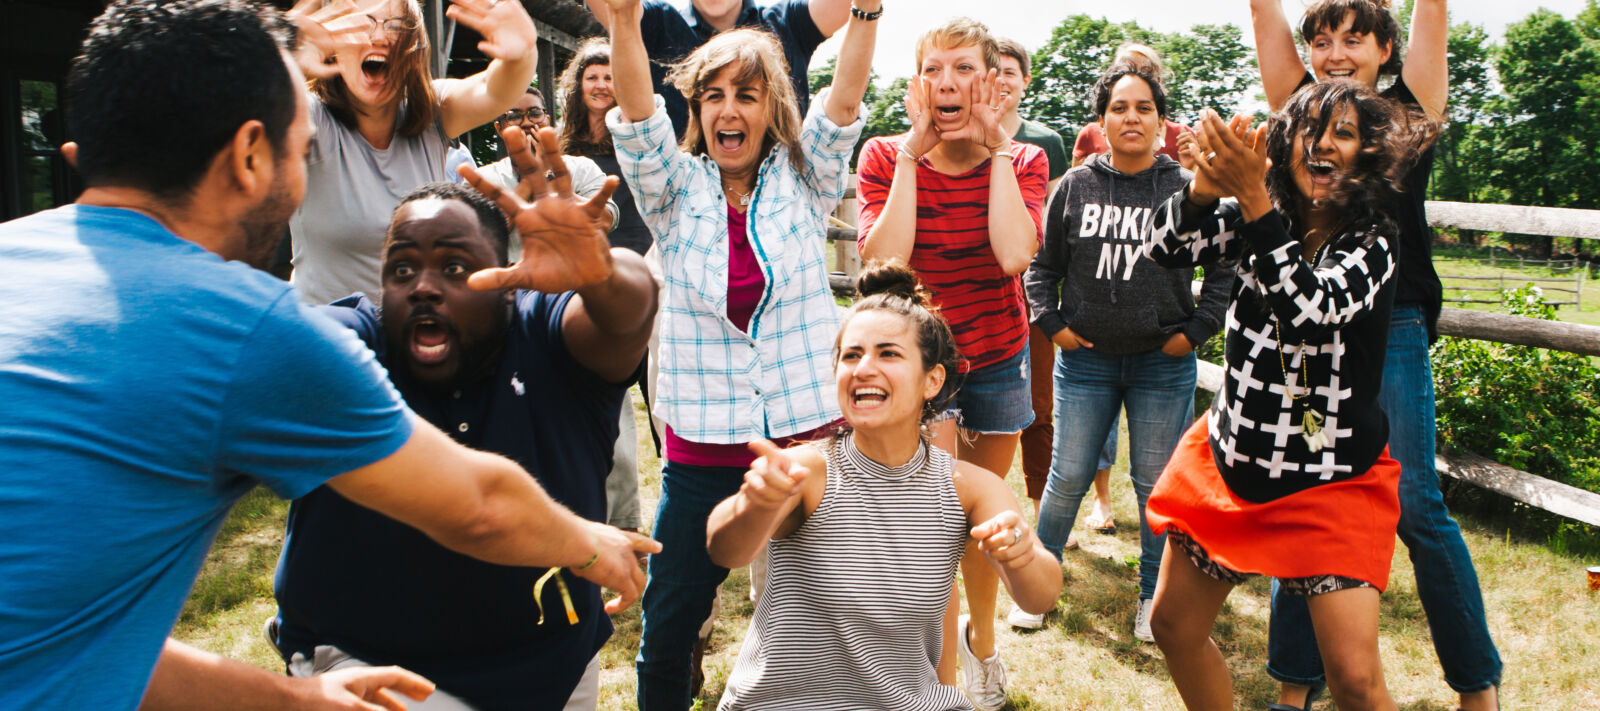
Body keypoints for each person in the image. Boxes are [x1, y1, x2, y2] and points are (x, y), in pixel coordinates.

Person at [0, 2, 656, 709]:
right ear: (253, 156)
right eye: (301, 141)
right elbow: (478, 508)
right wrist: (591, 546)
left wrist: (299, 701)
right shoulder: (243, 334)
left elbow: (73, 635)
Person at [273, 131, 653, 710]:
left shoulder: (548, 336)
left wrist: (601, 273)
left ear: (506, 283)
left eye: (454, 267)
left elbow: (629, 312)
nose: (424, 287)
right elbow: (287, 349)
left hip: (552, 666)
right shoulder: (352, 344)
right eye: (402, 270)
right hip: (366, 665)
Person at [605, 0, 880, 706]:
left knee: (824, 616)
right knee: (669, 624)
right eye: (714, 95)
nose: (730, 110)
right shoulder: (674, 192)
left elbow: (844, 100)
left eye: (747, 95)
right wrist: (624, 25)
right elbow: (638, 120)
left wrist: (867, 11)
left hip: (805, 444)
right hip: (700, 450)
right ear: (697, 112)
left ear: (770, 108)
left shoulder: (805, 179)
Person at [1141, 82, 1427, 710]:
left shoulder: (1374, 239)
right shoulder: (1257, 212)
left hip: (1331, 479)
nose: (1323, 145)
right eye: (1311, 130)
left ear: (1368, 154)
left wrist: (1250, 198)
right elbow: (1161, 251)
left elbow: (1311, 312)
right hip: (1232, 462)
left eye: (1344, 134)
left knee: (1353, 680)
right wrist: (1203, 190)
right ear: (1283, 143)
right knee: (1173, 627)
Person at [1248, 2, 1498, 709]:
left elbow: (1435, 13)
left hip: (1395, 325)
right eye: (1321, 40)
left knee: (1416, 505)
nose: (1334, 54)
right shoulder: (1302, 112)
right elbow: (1263, 12)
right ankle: (1295, 686)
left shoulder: (1405, 115)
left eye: (1354, 39)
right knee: (1305, 496)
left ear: (1386, 49)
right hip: (1311, 327)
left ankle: (1479, 688)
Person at [705, 262, 1062, 711]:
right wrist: (752, 507)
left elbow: (1042, 594)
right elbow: (724, 550)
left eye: (888, 354)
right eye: (851, 355)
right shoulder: (809, 471)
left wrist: (1024, 554)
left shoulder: (969, 488)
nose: (864, 368)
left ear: (932, 381)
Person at [855, 17, 1049, 710]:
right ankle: (937, 684)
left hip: (997, 358)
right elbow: (886, 262)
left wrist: (995, 151)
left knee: (980, 523)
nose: (948, 83)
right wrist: (913, 156)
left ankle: (983, 646)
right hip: (924, 368)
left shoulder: (1024, 160)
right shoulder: (884, 155)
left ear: (993, 82)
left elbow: (1012, 255)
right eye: (934, 70)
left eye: (964, 68)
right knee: (936, 524)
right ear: (917, 86)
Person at [1021, 65, 1233, 641]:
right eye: (1120, 107)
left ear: (1162, 122)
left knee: (1154, 482)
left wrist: (1197, 330)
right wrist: (1052, 323)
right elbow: (1041, 269)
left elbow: (1223, 269)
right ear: (1102, 120)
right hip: (1085, 360)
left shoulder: (1188, 188)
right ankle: (1039, 586)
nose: (1131, 117)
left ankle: (1151, 597)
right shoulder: (1075, 186)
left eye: (1144, 108)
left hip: (1162, 364)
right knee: (1066, 476)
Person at [285, 0, 539, 304]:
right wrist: (282, 54)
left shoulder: (434, 112)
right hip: (327, 337)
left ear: (414, 50)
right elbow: (236, 109)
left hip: (416, 333)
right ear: (334, 46)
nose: (378, 37)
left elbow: (493, 90)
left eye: (394, 26)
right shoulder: (308, 116)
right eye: (363, 24)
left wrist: (522, 55)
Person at [585, 0, 855, 136]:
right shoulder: (657, 23)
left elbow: (844, 7)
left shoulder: (787, 23)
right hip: (686, 207)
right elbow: (617, 9)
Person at [478, 86, 619, 262]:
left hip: (571, 283)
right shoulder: (482, 179)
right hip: (507, 283)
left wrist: (547, 174)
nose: (527, 123)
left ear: (547, 120)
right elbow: (480, 239)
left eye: (535, 113)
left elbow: (603, 223)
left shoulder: (583, 168)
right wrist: (531, 178)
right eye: (514, 116)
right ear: (499, 128)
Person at [557, 38, 654, 256]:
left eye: (609, 78)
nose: (601, 85)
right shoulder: (561, 142)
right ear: (579, 85)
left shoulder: (635, 135)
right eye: (592, 77)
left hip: (634, 251)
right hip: (581, 253)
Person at [1071, 43, 1192, 169]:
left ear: (1159, 81)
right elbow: (1075, 183)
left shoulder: (1182, 136)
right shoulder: (1089, 134)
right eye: (1127, 69)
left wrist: (1190, 168)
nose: (1136, 77)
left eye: (1147, 72)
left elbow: (1197, 184)